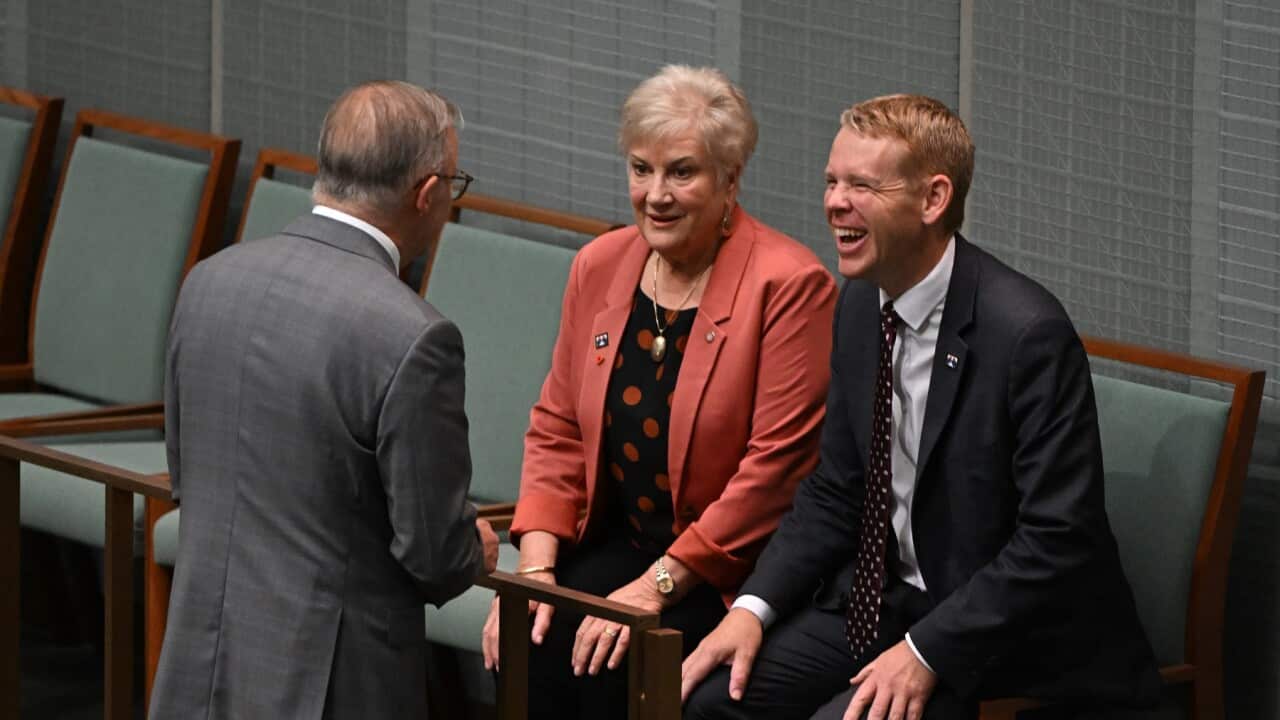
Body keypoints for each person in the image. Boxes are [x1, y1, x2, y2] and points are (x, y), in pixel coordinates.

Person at [681, 94, 1162, 720]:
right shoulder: (859, 303)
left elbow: (1058, 537)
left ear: (933, 200)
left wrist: (928, 649)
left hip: (997, 635)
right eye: (831, 181)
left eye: (861, 185)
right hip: (881, 604)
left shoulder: (1026, 335)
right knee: (714, 701)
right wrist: (751, 609)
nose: (834, 202)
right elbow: (837, 491)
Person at [480, 65, 837, 719]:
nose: (655, 195)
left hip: (727, 572)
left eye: (682, 172)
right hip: (618, 542)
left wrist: (655, 587)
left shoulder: (788, 285)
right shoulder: (601, 264)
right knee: (535, 634)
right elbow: (558, 425)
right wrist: (534, 573)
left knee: (613, 660)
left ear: (731, 179)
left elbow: (774, 474)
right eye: (640, 169)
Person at [149, 81, 499, 720]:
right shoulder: (415, 337)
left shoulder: (208, 282)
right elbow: (434, 555)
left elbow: (186, 472)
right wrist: (476, 546)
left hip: (201, 663)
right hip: (332, 683)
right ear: (426, 194)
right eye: (455, 182)